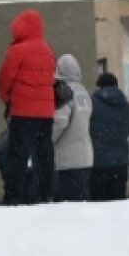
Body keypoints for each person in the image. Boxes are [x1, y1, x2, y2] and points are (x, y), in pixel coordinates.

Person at [0, 10, 57, 204]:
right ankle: (46, 192)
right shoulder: (47, 49)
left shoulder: (18, 50)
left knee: (18, 154)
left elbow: (5, 79)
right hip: (46, 113)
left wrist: (6, 98)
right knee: (45, 153)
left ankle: (16, 195)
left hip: (23, 111)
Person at [52, 54, 93, 202]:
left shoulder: (65, 92)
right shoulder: (84, 92)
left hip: (67, 160)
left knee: (69, 211)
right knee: (82, 204)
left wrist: (46, 140)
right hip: (85, 157)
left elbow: (60, 121)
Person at [89, 72, 129, 201]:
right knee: (118, 203)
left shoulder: (93, 102)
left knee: (99, 204)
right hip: (121, 161)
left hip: (98, 161)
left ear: (99, 86)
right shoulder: (126, 105)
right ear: (116, 85)